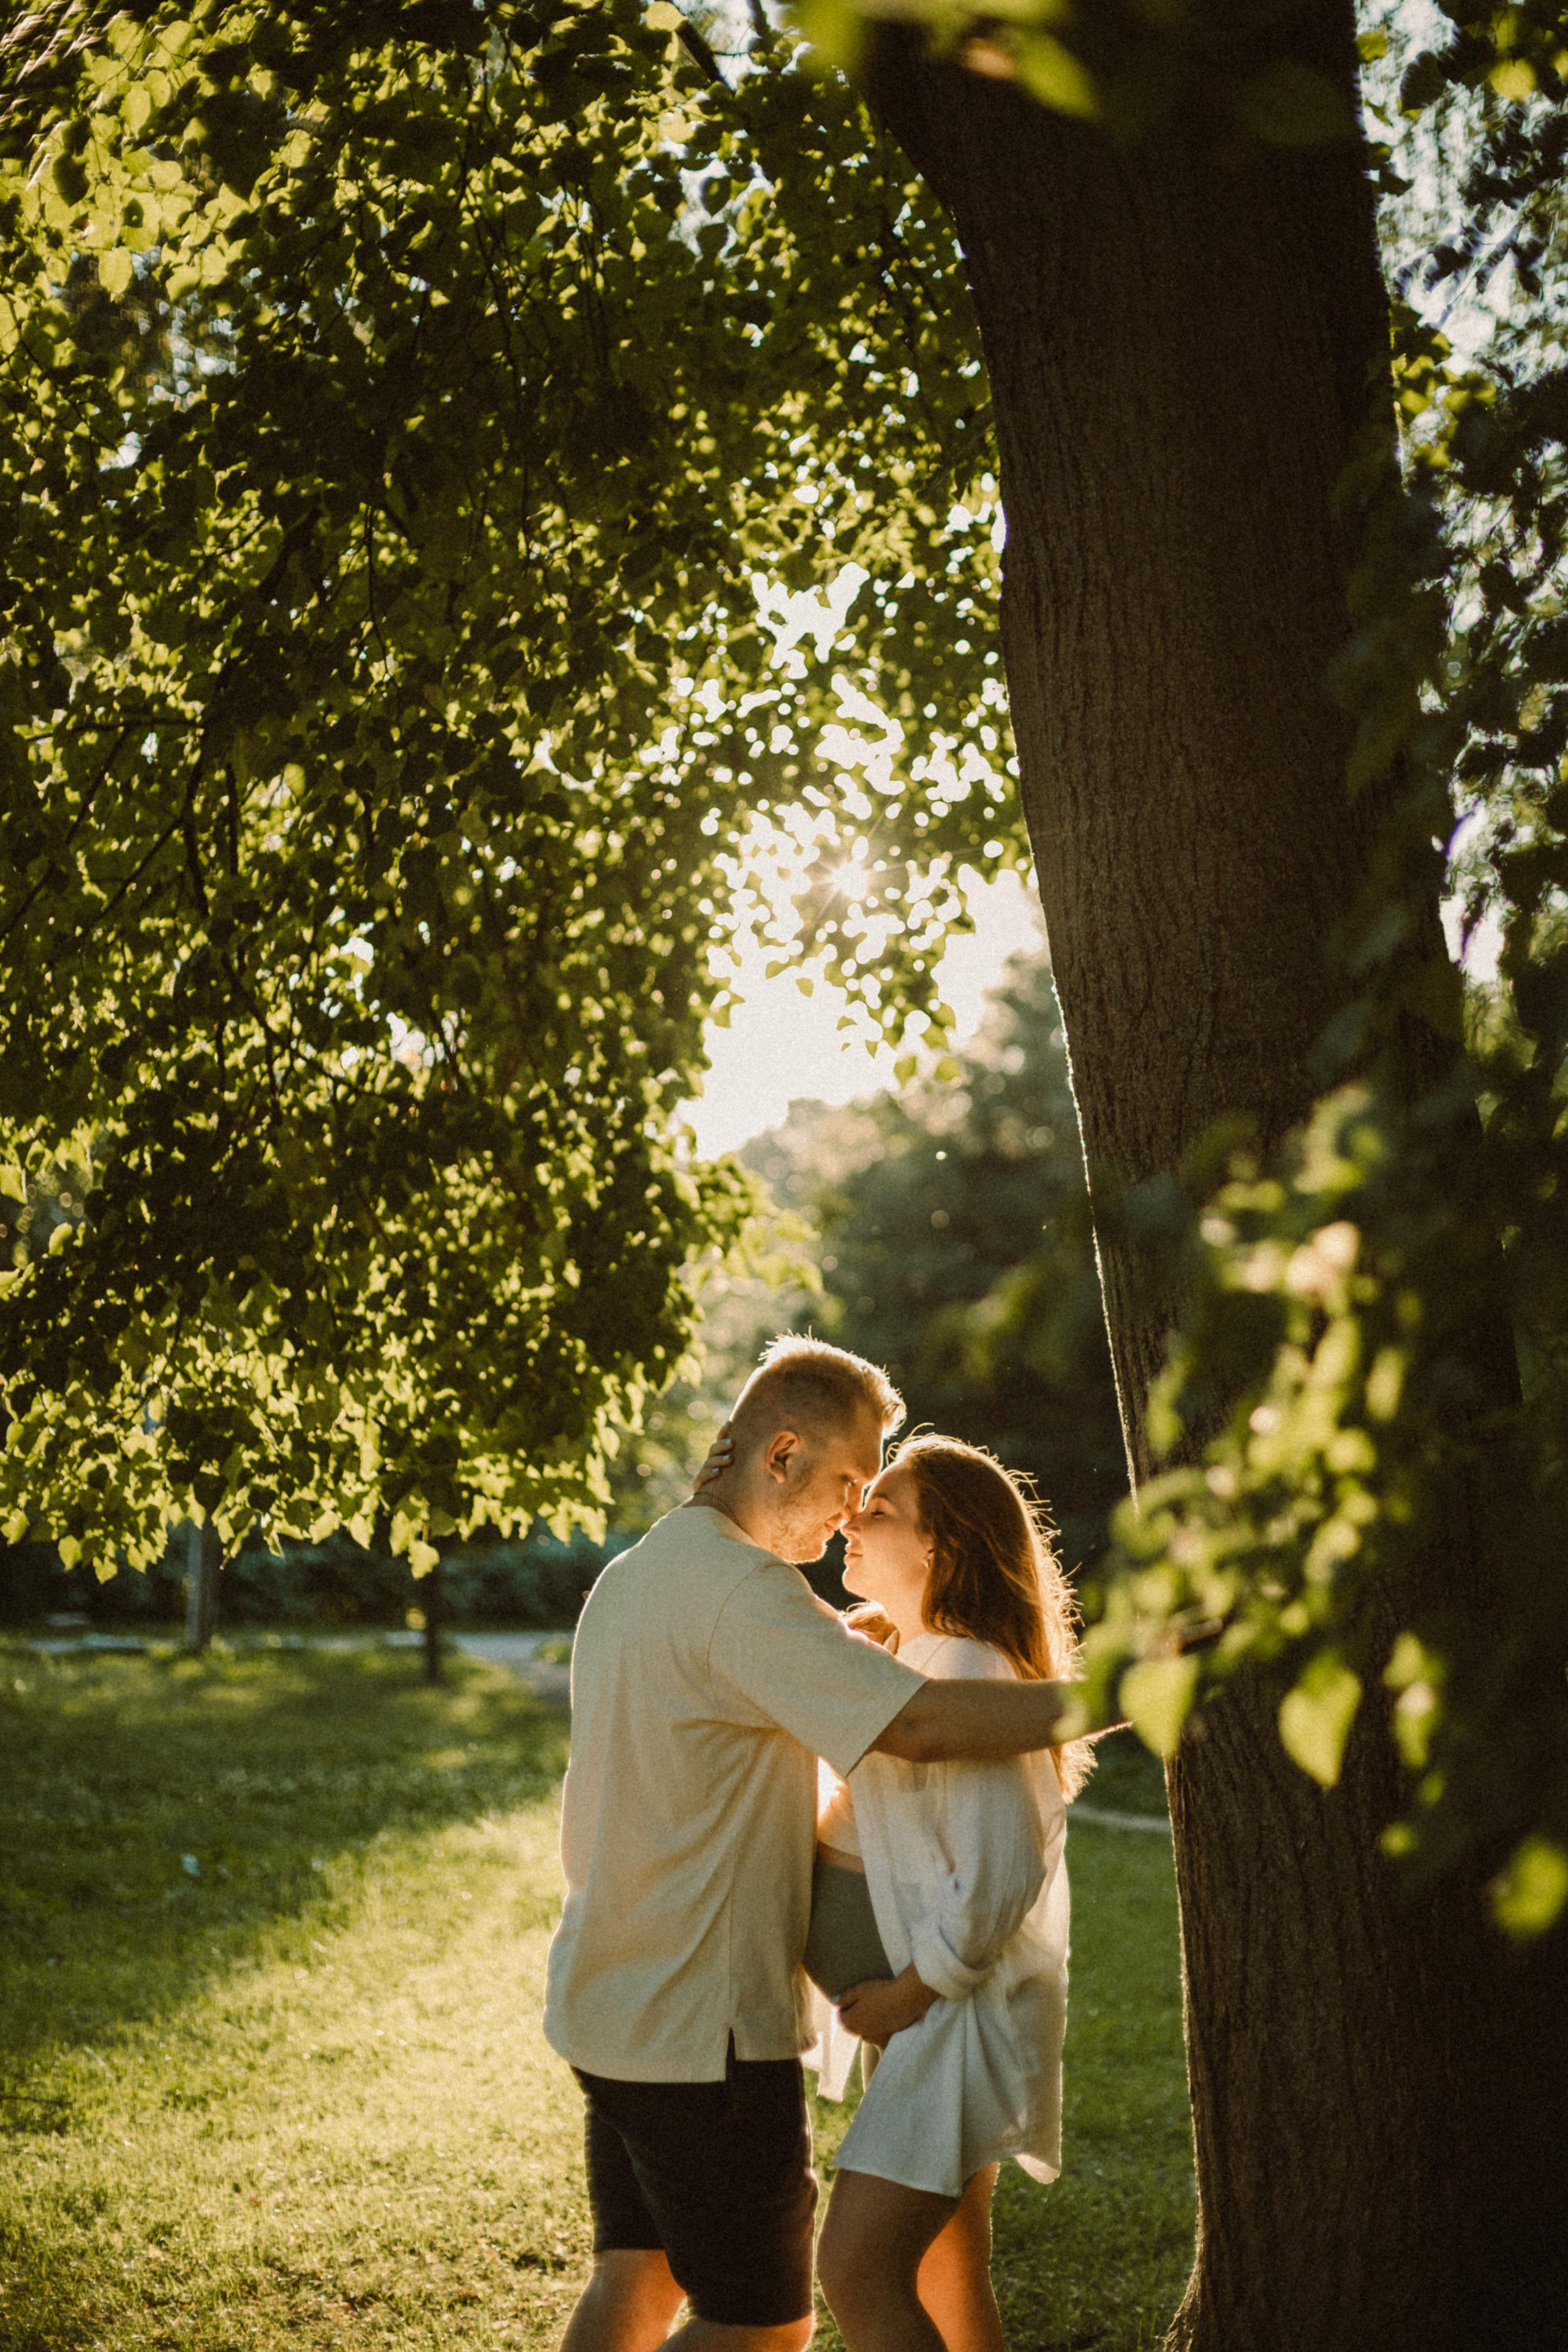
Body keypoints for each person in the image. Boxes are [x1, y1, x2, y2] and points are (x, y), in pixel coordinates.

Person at [545, 1336, 1089, 2352]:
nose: (851, 1511)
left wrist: (879, 1635)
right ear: (782, 1453)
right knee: (761, 2326)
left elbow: (797, 1668)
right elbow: (920, 1724)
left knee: (640, 2273)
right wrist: (1127, 1694)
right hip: (700, 2031)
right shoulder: (744, 1593)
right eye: (849, 1482)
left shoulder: (642, 1571)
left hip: (611, 2002)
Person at [804, 1436, 1091, 2352]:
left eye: (881, 1507)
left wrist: (910, 1993)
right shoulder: (924, 1657)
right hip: (928, 2016)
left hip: (947, 2015)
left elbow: (1001, 1868)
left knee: (856, 2269)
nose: (852, 1518)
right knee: (947, 2265)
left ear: (941, 1545)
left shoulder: (967, 1667)